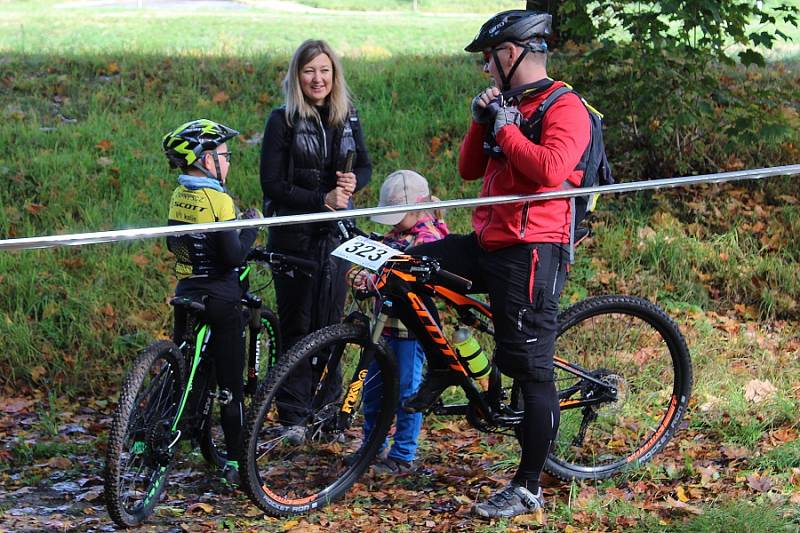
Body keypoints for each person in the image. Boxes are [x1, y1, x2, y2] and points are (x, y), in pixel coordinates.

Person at [403, 10, 592, 518]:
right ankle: (446, 361)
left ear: (512, 54)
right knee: (401, 270)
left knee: (531, 373)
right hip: (489, 240)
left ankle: (529, 486)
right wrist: (481, 120)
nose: (486, 68)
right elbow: (469, 169)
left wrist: (508, 130)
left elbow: (550, 171)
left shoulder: (565, 106)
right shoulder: (508, 104)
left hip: (534, 249)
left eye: (490, 58)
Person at [259, 39, 372, 440]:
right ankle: (292, 418)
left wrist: (354, 180)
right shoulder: (282, 120)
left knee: (330, 325)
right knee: (297, 326)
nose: (317, 78)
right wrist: (320, 200)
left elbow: (364, 164)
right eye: (309, 71)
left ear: (334, 74)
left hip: (336, 238)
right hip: (293, 237)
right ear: (297, 76)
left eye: (324, 70)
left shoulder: (348, 116)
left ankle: (327, 416)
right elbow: (271, 185)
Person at [163, 119, 261, 486]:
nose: (229, 162)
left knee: (183, 367)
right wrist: (252, 225)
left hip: (187, 289)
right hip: (221, 296)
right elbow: (234, 256)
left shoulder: (179, 193)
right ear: (206, 160)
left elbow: (175, 242)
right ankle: (238, 463)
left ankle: (167, 420)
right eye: (224, 155)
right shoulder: (217, 199)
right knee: (231, 388)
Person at [353, 170, 449, 475]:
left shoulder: (429, 238)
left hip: (410, 330)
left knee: (407, 392)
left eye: (398, 216)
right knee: (372, 390)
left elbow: (414, 276)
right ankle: (372, 445)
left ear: (417, 207)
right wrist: (360, 276)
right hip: (382, 327)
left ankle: (403, 454)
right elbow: (375, 261)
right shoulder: (393, 234)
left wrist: (377, 279)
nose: (393, 223)